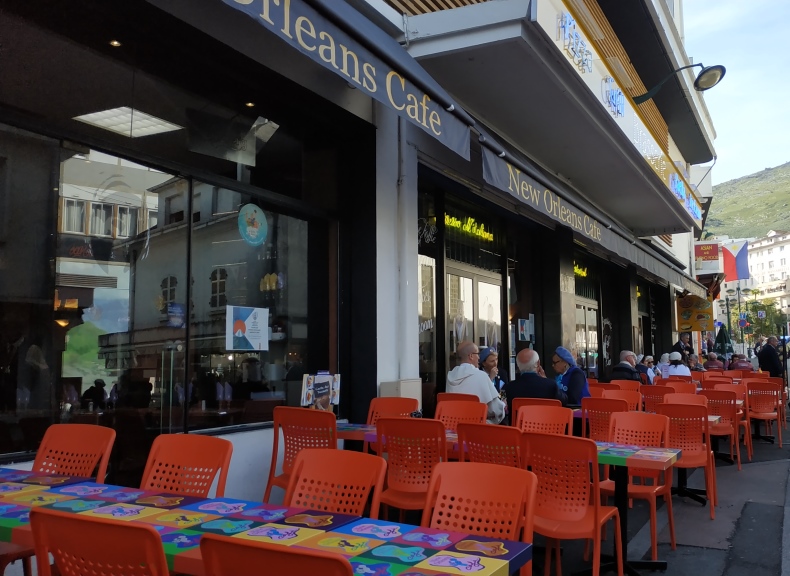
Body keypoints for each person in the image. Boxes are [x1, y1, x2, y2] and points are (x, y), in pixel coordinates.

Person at [446, 341, 506, 424]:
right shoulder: (481, 375)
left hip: (453, 424)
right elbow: (497, 411)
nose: (479, 357)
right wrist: (503, 405)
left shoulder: (450, 376)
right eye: (477, 354)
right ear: (471, 356)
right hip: (475, 425)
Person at [503, 349, 567, 416]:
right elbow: (564, 401)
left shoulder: (510, 387)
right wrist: (546, 379)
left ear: (518, 367)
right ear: (538, 363)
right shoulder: (551, 385)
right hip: (546, 422)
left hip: (520, 422)